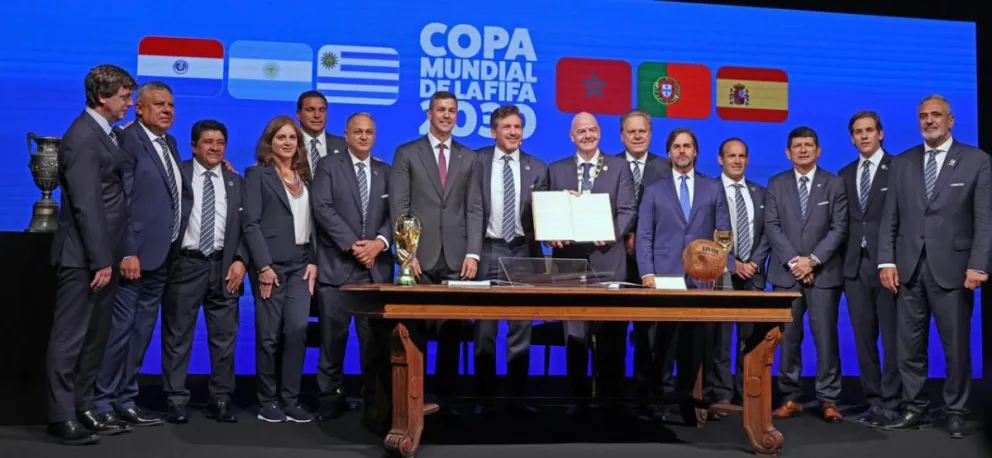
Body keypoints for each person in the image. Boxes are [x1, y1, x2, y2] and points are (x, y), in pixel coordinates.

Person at [878, 94, 991, 438]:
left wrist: (978, 264)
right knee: (909, 347)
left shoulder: (976, 160)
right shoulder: (902, 162)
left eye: (936, 115)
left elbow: (984, 219)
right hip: (908, 269)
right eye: (924, 116)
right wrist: (887, 260)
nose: (929, 121)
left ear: (950, 120)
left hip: (955, 269)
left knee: (955, 347)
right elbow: (890, 217)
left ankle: (956, 410)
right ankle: (915, 408)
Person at [46, 64, 137, 445]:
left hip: (105, 255)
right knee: (70, 339)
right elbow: (86, 203)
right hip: (83, 257)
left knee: (94, 338)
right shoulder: (82, 136)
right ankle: (61, 415)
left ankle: (84, 407)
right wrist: (100, 259)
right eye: (124, 97)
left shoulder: (109, 135)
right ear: (102, 97)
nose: (129, 104)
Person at [388, 90, 483, 416]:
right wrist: (406, 254)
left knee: (451, 336)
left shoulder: (469, 157)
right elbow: (399, 206)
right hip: (419, 259)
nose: (446, 115)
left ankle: (447, 402)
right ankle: (413, 400)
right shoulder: (407, 153)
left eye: (452, 111)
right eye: (441, 110)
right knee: (414, 333)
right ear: (429, 114)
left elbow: (474, 208)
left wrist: (473, 253)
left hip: (456, 258)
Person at [93, 81, 179, 428]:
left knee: (141, 332)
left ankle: (125, 399)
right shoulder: (128, 140)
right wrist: (128, 251)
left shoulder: (170, 143)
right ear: (139, 109)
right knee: (120, 331)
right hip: (134, 257)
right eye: (158, 104)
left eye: (170, 104)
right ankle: (101, 402)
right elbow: (121, 201)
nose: (167, 110)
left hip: (161, 256)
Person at [636, 127, 733, 425]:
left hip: (701, 280)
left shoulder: (712, 187)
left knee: (695, 345)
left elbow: (724, 235)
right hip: (664, 277)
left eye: (687, 146)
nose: (682, 151)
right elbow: (644, 235)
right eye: (677, 146)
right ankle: (662, 401)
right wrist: (647, 273)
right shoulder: (654, 189)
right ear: (669, 152)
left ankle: (689, 401)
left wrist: (715, 270)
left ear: (696, 152)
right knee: (663, 344)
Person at [545, 112, 635, 415]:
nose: (587, 135)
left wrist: (610, 233)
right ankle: (578, 400)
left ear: (600, 133)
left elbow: (627, 210)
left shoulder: (620, 167)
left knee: (610, 334)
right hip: (570, 263)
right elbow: (549, 212)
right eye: (581, 131)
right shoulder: (556, 169)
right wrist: (552, 234)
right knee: (574, 334)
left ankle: (609, 401)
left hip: (608, 258)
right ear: (572, 137)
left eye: (592, 129)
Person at [160, 120, 246, 424]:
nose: (215, 148)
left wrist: (241, 259)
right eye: (208, 142)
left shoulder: (237, 181)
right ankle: (175, 399)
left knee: (225, 337)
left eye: (220, 142)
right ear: (194, 146)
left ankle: (220, 398)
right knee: (178, 335)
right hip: (186, 265)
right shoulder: (177, 174)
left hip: (225, 267)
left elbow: (248, 226)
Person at [311, 113, 393, 420]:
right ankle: (330, 399)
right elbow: (322, 207)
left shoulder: (386, 171)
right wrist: (353, 245)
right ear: (346, 135)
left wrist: (379, 243)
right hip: (337, 267)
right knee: (333, 340)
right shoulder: (328, 166)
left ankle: (374, 401)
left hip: (375, 271)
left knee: (374, 344)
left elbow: (397, 212)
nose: (364, 136)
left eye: (369, 132)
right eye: (358, 131)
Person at [764, 126, 848, 422]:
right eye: (797, 146)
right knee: (788, 339)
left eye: (808, 145)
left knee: (826, 338)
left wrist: (811, 262)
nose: (803, 150)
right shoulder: (776, 183)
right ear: (788, 153)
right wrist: (795, 263)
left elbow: (839, 228)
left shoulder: (834, 183)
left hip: (824, 274)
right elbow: (772, 226)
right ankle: (790, 397)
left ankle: (829, 399)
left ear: (818, 150)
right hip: (786, 276)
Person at [469, 105, 546, 415]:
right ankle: (484, 399)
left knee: (520, 329)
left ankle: (517, 400)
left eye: (517, 127)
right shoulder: (476, 161)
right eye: (507, 127)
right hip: (488, 249)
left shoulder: (537, 167)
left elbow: (545, 214)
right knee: (484, 330)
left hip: (522, 252)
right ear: (493, 132)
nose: (514, 132)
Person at [242, 115, 318, 423]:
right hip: (270, 266)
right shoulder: (257, 175)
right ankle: (268, 400)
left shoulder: (306, 177)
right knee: (269, 336)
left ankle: (291, 399)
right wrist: (263, 266)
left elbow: (315, 224)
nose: (287, 142)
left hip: (301, 266)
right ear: (269, 142)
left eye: (292, 138)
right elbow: (250, 224)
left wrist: (313, 260)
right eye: (281, 137)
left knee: (297, 332)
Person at [838, 111, 900, 426]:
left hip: (889, 266)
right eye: (858, 132)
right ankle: (874, 402)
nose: (863, 136)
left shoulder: (899, 168)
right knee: (863, 339)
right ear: (852, 138)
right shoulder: (845, 174)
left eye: (869, 130)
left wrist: (894, 260)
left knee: (893, 339)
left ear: (881, 133)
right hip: (854, 266)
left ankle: (893, 402)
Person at [614, 109, 671, 420]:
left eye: (642, 131)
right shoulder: (608, 165)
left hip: (654, 260)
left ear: (650, 134)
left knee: (650, 331)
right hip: (614, 258)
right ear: (621, 135)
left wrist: (642, 238)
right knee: (612, 328)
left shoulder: (665, 168)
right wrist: (624, 235)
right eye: (631, 131)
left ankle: (648, 394)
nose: (637, 136)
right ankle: (612, 396)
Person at [710, 138, 770, 410]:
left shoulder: (761, 193)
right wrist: (732, 263)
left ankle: (747, 392)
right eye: (731, 156)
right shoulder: (709, 191)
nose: (736, 160)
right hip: (722, 272)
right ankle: (721, 394)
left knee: (751, 337)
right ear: (720, 160)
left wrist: (754, 262)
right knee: (720, 338)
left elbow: (768, 231)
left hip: (753, 274)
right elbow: (705, 231)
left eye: (741, 156)